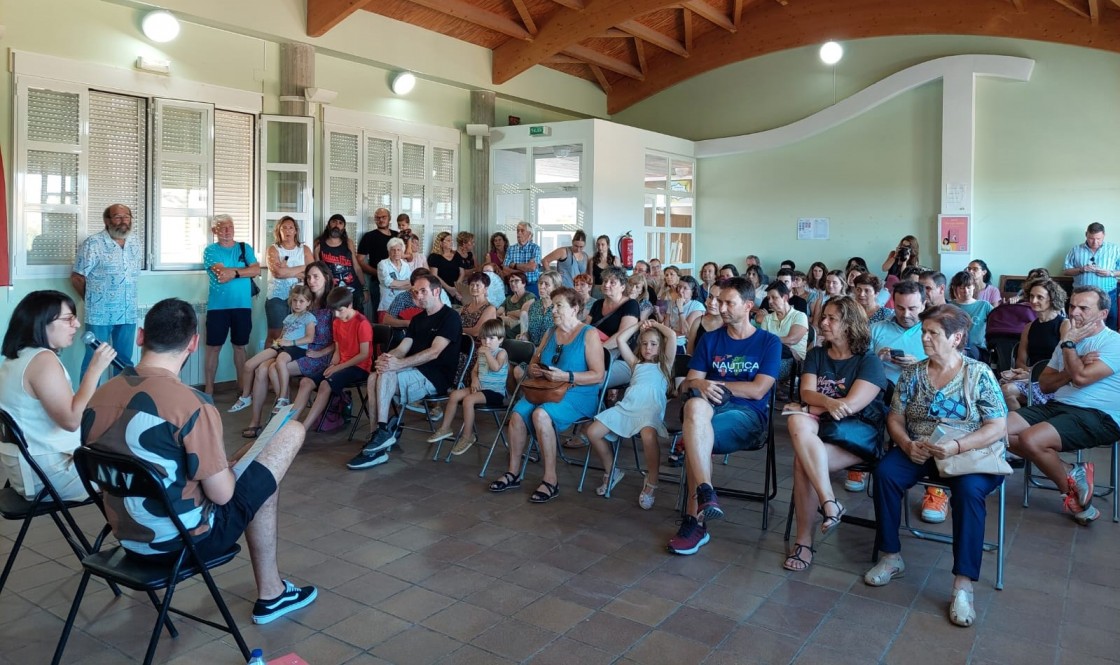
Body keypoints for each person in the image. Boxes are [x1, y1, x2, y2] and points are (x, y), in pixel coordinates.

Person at [81, 298, 316, 625]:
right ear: (193, 343)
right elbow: (223, 496)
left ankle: (273, 592)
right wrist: (234, 466)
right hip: (185, 542)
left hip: (127, 538)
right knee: (289, 432)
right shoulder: (192, 405)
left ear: (139, 336)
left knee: (253, 474)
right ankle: (272, 594)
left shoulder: (98, 397)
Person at [864, 304, 1007, 629]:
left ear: (956, 338)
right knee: (886, 473)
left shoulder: (978, 373)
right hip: (922, 449)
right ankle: (890, 556)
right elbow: (895, 417)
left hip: (968, 453)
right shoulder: (913, 374)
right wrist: (905, 444)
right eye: (924, 332)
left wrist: (956, 445)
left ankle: (963, 584)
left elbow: (997, 426)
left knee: (969, 492)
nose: (925, 338)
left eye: (932, 333)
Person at [668, 277, 781, 555]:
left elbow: (757, 390)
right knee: (694, 409)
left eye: (729, 303)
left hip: (748, 417)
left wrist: (714, 384)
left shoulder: (768, 342)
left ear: (748, 306)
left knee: (696, 433)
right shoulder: (711, 340)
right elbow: (688, 384)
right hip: (708, 411)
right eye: (719, 301)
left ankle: (694, 521)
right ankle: (705, 494)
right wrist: (700, 384)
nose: (721, 307)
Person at [783, 296, 888, 572]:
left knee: (802, 462)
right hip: (822, 427)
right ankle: (829, 504)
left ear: (850, 325)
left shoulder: (869, 361)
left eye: (831, 318)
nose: (823, 323)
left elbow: (851, 407)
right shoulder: (817, 354)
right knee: (797, 420)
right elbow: (806, 392)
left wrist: (814, 405)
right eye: (824, 316)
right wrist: (827, 403)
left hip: (858, 434)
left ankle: (804, 542)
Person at [1007, 286, 1120, 525]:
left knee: (1031, 439)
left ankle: (1072, 493)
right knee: (998, 431)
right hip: (1058, 403)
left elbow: (1082, 379)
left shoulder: (1114, 343)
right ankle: (1072, 473)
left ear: (1102, 314)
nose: (1074, 312)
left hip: (1100, 415)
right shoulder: (1066, 342)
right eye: (1072, 306)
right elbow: (1046, 384)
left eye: (1083, 308)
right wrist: (1072, 367)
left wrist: (1070, 349)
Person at [487, 287, 605, 503]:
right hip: (547, 390)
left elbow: (598, 375)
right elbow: (535, 360)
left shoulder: (588, 334)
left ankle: (550, 480)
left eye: (559, 305)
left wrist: (567, 376)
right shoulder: (550, 332)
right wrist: (533, 368)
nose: (553, 310)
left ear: (575, 309)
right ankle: (513, 472)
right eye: (552, 306)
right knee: (517, 414)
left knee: (541, 415)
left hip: (578, 393)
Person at [0, 291, 117, 501]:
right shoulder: (42, 360)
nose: (77, 324)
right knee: (141, 471)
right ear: (41, 323)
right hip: (47, 476)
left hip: (28, 468)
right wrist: (94, 370)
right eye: (68, 319)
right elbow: (72, 421)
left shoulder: (18, 357)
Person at [348, 274, 463, 470]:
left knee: (385, 374)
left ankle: (382, 434)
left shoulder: (450, 317)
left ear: (436, 291)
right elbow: (403, 348)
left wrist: (397, 365)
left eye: (423, 291)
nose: (418, 296)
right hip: (414, 369)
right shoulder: (418, 319)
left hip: (435, 377)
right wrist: (388, 358)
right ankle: (378, 435)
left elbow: (434, 353)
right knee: (375, 375)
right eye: (415, 292)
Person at [585, 320, 675, 509]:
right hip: (627, 408)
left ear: (660, 347)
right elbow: (621, 340)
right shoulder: (635, 364)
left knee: (648, 435)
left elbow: (672, 336)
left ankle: (652, 481)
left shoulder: (665, 365)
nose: (648, 348)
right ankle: (612, 470)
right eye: (644, 344)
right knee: (592, 432)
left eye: (653, 344)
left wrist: (656, 324)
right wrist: (640, 324)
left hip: (649, 411)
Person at [240, 262, 335, 439]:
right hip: (298, 349)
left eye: (316, 277)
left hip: (319, 355)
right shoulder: (304, 301)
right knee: (261, 368)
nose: (311, 281)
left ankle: (283, 414)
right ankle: (257, 420)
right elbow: (290, 329)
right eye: (308, 277)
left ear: (326, 278)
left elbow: (340, 341)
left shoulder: (332, 304)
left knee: (271, 368)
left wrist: (321, 353)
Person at [70, 203, 142, 378]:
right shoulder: (93, 243)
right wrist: (92, 300)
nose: (123, 221)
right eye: (117, 217)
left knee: (125, 360)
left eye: (127, 217)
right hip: (100, 314)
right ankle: (88, 403)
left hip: (128, 312)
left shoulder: (135, 243)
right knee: (95, 359)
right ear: (107, 220)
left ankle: (123, 402)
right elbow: (77, 277)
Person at [228, 285, 316, 414]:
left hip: (296, 348)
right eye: (295, 300)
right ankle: (246, 397)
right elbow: (282, 336)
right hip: (282, 346)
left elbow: (309, 338)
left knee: (280, 360)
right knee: (249, 365)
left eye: (301, 301)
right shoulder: (289, 318)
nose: (297, 304)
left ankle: (283, 397)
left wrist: (290, 342)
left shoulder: (309, 317)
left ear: (308, 302)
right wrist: (276, 345)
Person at [427, 319, 509, 456]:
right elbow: (474, 370)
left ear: (500, 340)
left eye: (491, 338)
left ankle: (467, 435)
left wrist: (487, 354)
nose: (486, 342)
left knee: (468, 400)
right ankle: (445, 428)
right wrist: (475, 380)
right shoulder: (482, 353)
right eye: (483, 338)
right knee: (454, 395)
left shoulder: (502, 353)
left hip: (495, 393)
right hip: (480, 388)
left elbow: (495, 367)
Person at [296, 288, 373, 430]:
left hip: (359, 367)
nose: (337, 315)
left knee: (325, 385)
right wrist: (333, 363)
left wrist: (338, 368)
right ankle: (290, 423)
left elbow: (364, 354)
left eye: (340, 310)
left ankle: (303, 429)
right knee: (306, 382)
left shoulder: (362, 323)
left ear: (350, 305)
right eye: (334, 311)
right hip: (342, 364)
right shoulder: (337, 321)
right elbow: (338, 348)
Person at [202, 215, 260, 396]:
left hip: (242, 306)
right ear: (214, 231)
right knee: (213, 347)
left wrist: (233, 272)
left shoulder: (245, 247)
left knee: (240, 346)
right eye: (222, 227)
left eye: (230, 226)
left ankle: (242, 387)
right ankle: (209, 389)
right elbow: (221, 273)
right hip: (217, 307)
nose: (227, 230)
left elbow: (256, 270)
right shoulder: (211, 250)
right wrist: (243, 271)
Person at [1000, 278, 1069, 410]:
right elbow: (1020, 361)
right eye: (1031, 296)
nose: (1033, 301)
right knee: (999, 385)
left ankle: (1023, 420)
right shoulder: (1029, 327)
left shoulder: (1064, 324)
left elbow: (1064, 362)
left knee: (1006, 390)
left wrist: (1031, 374)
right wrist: (1027, 373)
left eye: (1039, 297)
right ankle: (1023, 421)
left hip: (1053, 381)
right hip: (1032, 377)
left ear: (1052, 299)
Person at [263, 216, 313, 348]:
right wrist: (302, 269)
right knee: (275, 334)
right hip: (277, 297)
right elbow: (278, 273)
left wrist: (288, 270)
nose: (287, 231)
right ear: (278, 231)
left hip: (300, 298)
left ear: (296, 231)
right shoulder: (273, 249)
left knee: (296, 333)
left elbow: (312, 272)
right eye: (283, 228)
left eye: (291, 227)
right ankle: (267, 363)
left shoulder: (304, 249)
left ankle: (286, 363)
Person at [1064, 222, 1120, 330]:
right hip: (1081, 296)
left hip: (1108, 294)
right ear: (1086, 234)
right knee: (1079, 322)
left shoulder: (1115, 249)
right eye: (1091, 238)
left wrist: (1110, 273)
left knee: (1110, 321)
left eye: (1098, 238)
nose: (1095, 242)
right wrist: (1081, 269)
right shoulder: (1075, 250)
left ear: (1104, 235)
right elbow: (1066, 271)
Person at [590, 268, 641, 387]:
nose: (606, 285)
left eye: (612, 282)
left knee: (589, 382)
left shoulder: (631, 305)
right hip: (596, 356)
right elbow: (586, 329)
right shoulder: (597, 304)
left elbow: (622, 335)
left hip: (621, 359)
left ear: (622, 287)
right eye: (605, 281)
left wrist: (597, 350)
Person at [759, 281, 809, 384]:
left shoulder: (799, 316)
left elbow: (792, 340)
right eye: (768, 298)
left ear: (785, 298)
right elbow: (761, 342)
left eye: (774, 297)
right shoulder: (767, 318)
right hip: (772, 355)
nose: (770, 301)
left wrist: (770, 341)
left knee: (779, 351)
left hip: (793, 360)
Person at [316, 213, 364, 309]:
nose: (337, 225)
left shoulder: (348, 242)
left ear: (344, 227)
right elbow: (317, 269)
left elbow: (356, 266)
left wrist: (364, 289)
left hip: (352, 288)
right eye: (334, 222)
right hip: (330, 290)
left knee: (355, 318)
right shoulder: (319, 243)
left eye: (340, 223)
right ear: (328, 225)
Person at [357, 208, 397, 316]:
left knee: (399, 313)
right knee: (380, 315)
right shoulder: (369, 236)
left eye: (384, 217)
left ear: (389, 218)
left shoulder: (397, 235)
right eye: (378, 218)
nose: (381, 220)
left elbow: (407, 256)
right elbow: (359, 260)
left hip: (399, 281)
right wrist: (378, 273)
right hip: (378, 283)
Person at [950, 270, 993, 353]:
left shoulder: (984, 306)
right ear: (955, 288)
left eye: (969, 287)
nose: (966, 291)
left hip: (978, 349)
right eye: (962, 288)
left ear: (974, 286)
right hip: (954, 348)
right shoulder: (949, 306)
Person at [664, 275, 705, 352]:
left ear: (692, 291)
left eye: (685, 288)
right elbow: (666, 326)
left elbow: (685, 332)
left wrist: (680, 309)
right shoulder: (672, 303)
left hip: (684, 343)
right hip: (671, 337)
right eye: (679, 287)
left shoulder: (697, 306)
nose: (680, 290)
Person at [522, 271, 561, 346]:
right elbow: (529, 332)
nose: (542, 287)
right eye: (540, 283)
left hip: (550, 351)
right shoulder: (533, 306)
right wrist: (525, 336)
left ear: (556, 287)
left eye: (546, 284)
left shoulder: (560, 308)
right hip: (532, 349)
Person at [376, 237, 412, 317]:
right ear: (389, 251)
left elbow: (411, 285)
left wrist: (396, 284)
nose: (396, 252)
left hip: (404, 305)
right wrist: (407, 282)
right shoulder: (383, 264)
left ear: (402, 251)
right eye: (393, 250)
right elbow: (389, 283)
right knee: (387, 328)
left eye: (398, 250)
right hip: (387, 305)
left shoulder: (406, 265)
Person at [504, 222, 543, 295]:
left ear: (529, 234)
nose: (519, 233)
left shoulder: (535, 248)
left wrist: (514, 265)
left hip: (531, 286)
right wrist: (522, 271)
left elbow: (532, 267)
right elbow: (505, 270)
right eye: (518, 230)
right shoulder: (510, 249)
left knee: (532, 306)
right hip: (514, 286)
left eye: (522, 230)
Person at [687, 280, 724, 356]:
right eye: (710, 297)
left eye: (718, 299)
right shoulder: (698, 322)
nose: (712, 302)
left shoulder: (732, 325)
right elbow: (689, 353)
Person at [427, 231, 464, 302]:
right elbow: (434, 275)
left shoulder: (457, 255)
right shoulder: (434, 256)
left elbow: (462, 273)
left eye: (451, 240)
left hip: (457, 288)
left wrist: (456, 287)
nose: (451, 242)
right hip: (441, 289)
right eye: (448, 240)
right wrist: (449, 288)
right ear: (441, 243)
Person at [497, 270, 536, 336]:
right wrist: (513, 314)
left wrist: (507, 313)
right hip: (506, 325)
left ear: (524, 283)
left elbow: (523, 314)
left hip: (521, 329)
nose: (513, 283)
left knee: (500, 331)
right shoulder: (509, 298)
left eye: (516, 281)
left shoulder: (530, 296)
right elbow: (498, 313)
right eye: (511, 281)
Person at [459, 273, 498, 338]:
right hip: (462, 341)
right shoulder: (465, 307)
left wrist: (457, 329)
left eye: (477, 285)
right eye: (472, 285)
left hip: (480, 344)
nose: (474, 288)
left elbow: (476, 332)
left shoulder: (490, 308)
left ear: (485, 288)